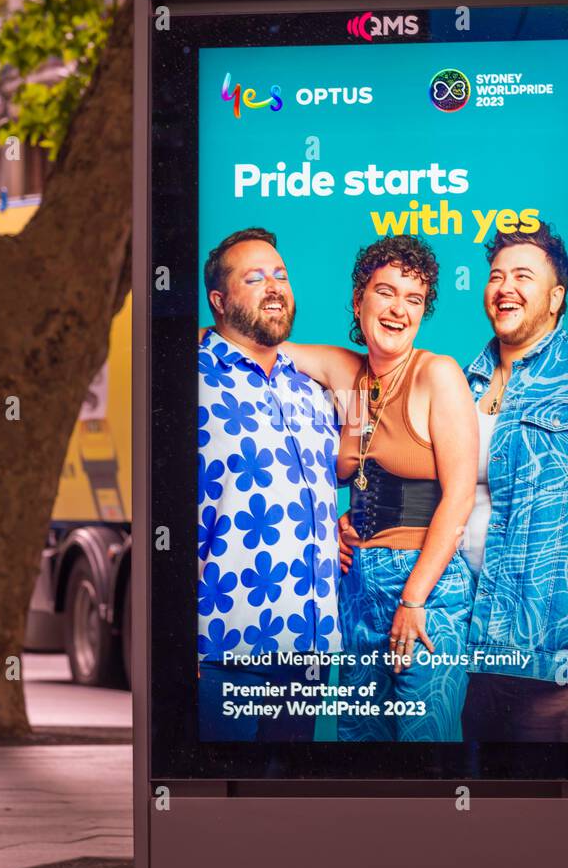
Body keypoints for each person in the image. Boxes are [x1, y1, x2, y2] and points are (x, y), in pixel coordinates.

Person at [279, 237, 478, 742]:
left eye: (414, 299)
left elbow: (459, 498)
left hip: (425, 589)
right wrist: (344, 526)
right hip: (356, 588)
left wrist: (413, 600)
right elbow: (254, 343)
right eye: (386, 292)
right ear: (358, 301)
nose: (398, 309)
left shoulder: (438, 374)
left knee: (423, 741)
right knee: (359, 742)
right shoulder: (346, 374)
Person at [198, 228, 341, 742]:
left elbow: (336, 477)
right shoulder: (189, 380)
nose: (274, 286)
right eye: (254, 278)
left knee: (286, 807)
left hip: (308, 646)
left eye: (280, 275)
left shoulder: (311, 389)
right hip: (222, 645)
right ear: (219, 300)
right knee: (214, 807)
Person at [459, 223, 568, 743]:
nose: (505, 286)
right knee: (475, 815)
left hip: (549, 652)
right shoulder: (462, 381)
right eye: (496, 276)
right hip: (466, 642)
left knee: (551, 813)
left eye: (522, 276)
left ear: (555, 298)